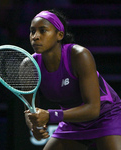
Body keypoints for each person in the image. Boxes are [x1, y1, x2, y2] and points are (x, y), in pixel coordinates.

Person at [24, 9, 121, 150]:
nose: (36, 37)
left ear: (59, 35)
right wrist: (34, 126)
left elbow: (93, 109)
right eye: (32, 31)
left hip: (105, 116)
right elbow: (29, 110)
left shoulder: (79, 55)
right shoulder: (29, 66)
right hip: (73, 120)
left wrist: (50, 116)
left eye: (43, 31)